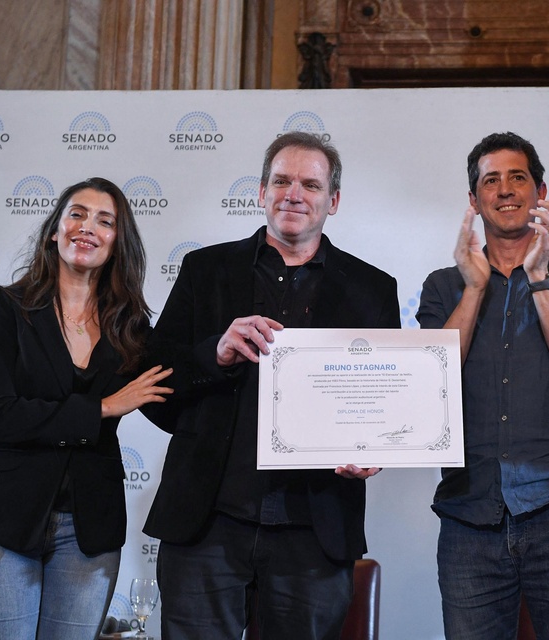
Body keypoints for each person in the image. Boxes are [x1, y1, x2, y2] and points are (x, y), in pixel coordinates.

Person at [141, 131, 400, 640]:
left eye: (310, 185)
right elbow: (154, 386)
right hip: (207, 523)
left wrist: (373, 448)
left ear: (333, 201)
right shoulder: (204, 270)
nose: (293, 194)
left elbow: (383, 403)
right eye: (281, 181)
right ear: (261, 192)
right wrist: (215, 353)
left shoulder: (372, 288)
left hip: (316, 528)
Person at [0, 177, 172, 640]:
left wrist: (225, 350)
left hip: (89, 532)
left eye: (105, 221)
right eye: (77, 214)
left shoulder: (129, 328)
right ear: (55, 230)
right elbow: (1, 417)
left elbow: (178, 382)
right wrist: (103, 407)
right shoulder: (3, 308)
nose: (87, 226)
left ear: (117, 241)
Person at [417, 131, 549, 638]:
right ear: (474, 199)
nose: (505, 190)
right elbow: (430, 387)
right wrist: (474, 288)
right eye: (491, 181)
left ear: (540, 192)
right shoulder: (443, 285)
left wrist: (540, 277)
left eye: (518, 178)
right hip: (468, 514)